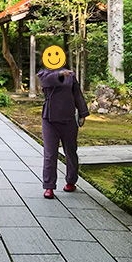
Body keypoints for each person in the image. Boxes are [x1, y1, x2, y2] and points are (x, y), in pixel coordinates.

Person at [37, 67, 89, 199]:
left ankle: (71, 181)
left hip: (68, 119)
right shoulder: (44, 72)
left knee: (71, 151)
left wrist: (83, 113)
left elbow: (77, 94)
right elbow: (45, 81)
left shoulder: (70, 75)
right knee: (50, 153)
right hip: (49, 119)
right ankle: (49, 186)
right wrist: (59, 74)